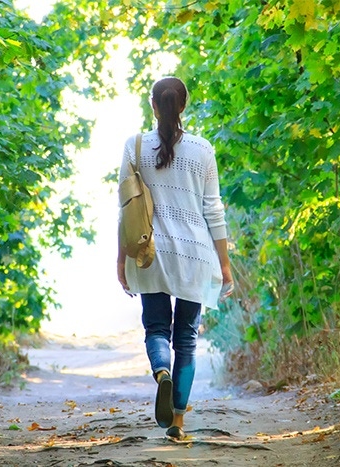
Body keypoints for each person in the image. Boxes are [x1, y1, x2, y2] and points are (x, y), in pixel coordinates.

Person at [116, 77, 233, 440]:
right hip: (195, 256)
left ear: (154, 105)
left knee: (155, 329)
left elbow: (126, 209)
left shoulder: (134, 147)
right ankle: (178, 424)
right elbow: (214, 211)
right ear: (183, 106)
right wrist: (225, 265)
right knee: (186, 339)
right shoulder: (203, 150)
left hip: (150, 254)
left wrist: (120, 260)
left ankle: (161, 373)